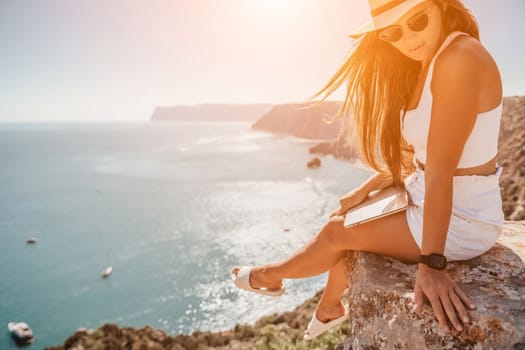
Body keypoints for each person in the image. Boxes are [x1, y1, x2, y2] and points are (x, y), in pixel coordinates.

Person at [232, 0, 504, 340]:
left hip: (464, 218)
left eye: (417, 21)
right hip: (431, 192)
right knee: (348, 214)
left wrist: (432, 265)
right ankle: (330, 306)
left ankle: (269, 276)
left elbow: (441, 171)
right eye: (392, 32)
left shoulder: (459, 58)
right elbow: (424, 158)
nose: (408, 39)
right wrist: (369, 186)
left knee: (336, 233)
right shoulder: (429, 63)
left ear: (441, 7)